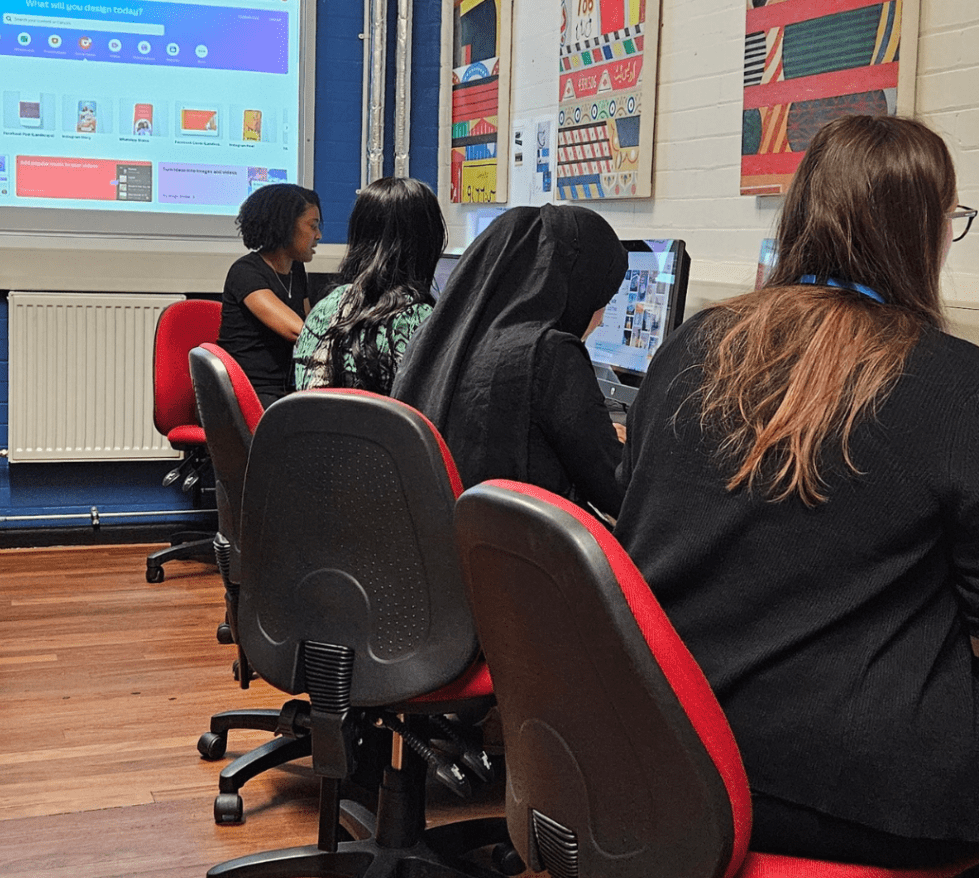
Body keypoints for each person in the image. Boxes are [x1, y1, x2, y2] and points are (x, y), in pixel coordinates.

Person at [614, 116, 979, 867]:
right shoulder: (954, 386)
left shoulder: (689, 347)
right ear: (925, 231)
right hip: (861, 798)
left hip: (664, 754)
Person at [392, 202, 628, 518]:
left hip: (436, 550)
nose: (598, 319)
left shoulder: (430, 337)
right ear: (576, 286)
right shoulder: (550, 352)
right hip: (520, 556)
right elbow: (616, 491)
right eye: (602, 300)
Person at [291, 176, 446, 395]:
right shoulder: (418, 320)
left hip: (313, 428)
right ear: (429, 243)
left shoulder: (326, 308)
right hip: (388, 430)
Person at [218, 183, 321, 407]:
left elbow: (312, 322)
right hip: (243, 394)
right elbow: (299, 331)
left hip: (283, 392)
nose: (319, 235)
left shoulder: (296, 271)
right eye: (312, 226)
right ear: (285, 226)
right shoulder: (246, 272)